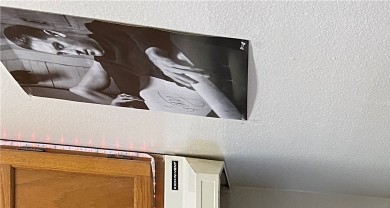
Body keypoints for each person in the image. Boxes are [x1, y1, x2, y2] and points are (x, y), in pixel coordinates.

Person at [2, 20, 244, 119]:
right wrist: (111, 104)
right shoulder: (102, 64)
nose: (72, 54)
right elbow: (79, 89)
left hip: (191, 67)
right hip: (183, 103)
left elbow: (139, 30)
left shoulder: (103, 26)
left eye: (60, 46)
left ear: (55, 33)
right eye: (60, 55)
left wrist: (153, 53)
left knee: (183, 59)